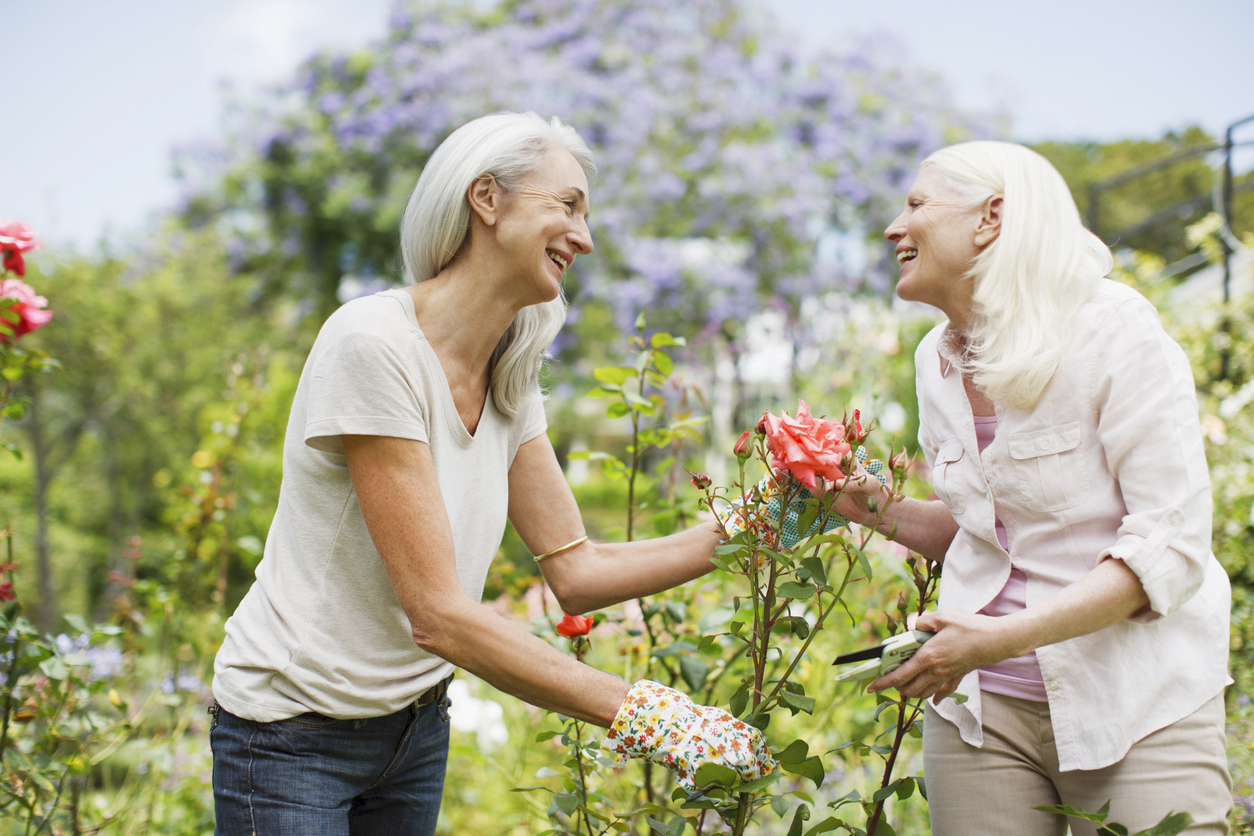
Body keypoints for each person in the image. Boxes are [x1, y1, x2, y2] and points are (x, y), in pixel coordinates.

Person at [209, 111, 774, 835]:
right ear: (486, 199)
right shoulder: (373, 343)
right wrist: (657, 717)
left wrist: (766, 522)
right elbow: (439, 615)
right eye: (566, 205)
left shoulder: (509, 371)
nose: (585, 237)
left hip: (412, 731)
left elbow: (579, 568)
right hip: (290, 734)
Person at [833, 141, 1232, 834]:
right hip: (983, 716)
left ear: (992, 217)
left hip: (1136, 703)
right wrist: (853, 495)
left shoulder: (1114, 330)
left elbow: (1168, 547)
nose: (895, 227)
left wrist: (997, 638)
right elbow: (981, 531)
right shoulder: (938, 358)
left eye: (917, 205)